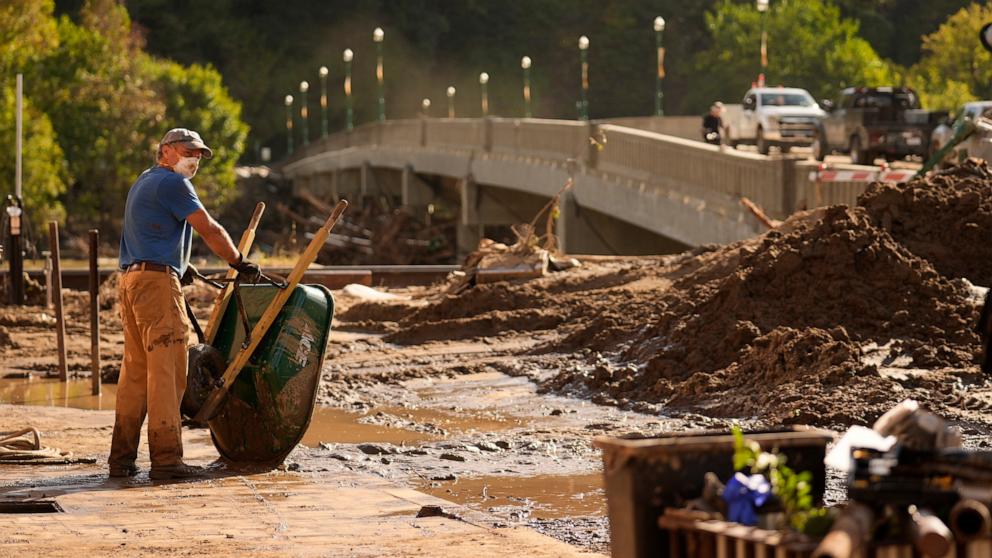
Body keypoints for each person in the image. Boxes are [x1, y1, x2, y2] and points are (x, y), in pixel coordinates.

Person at [109, 128, 260, 480]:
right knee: (168, 371)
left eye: (199, 155)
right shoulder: (174, 184)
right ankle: (166, 460)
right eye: (188, 151)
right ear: (165, 151)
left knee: (135, 374)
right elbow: (207, 228)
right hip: (156, 286)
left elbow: (151, 231)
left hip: (132, 282)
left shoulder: (144, 182)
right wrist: (238, 261)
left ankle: (121, 459)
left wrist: (179, 264)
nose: (194, 159)